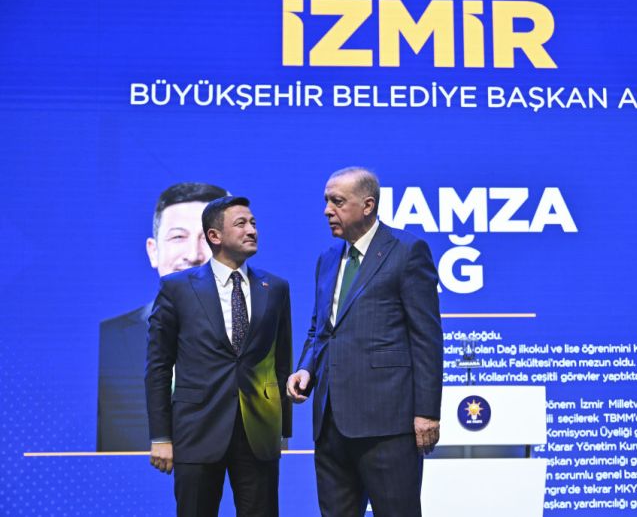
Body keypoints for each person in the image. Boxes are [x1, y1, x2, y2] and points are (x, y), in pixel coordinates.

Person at [286, 167, 443, 517]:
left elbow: (426, 336)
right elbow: (321, 329)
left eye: (337, 201)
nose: (327, 210)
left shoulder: (407, 251)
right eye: (326, 201)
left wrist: (427, 412)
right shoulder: (327, 260)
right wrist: (305, 369)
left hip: (388, 424)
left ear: (368, 205)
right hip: (330, 423)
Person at [146, 196, 292, 516]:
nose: (252, 230)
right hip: (197, 430)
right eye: (241, 224)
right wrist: (160, 436)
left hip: (259, 434)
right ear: (215, 236)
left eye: (253, 223)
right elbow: (158, 367)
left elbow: (281, 363)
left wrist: (283, 431)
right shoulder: (177, 288)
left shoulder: (275, 287)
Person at [98, 182, 228, 451]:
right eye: (178, 237)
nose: (193, 255)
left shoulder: (259, 329)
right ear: (153, 251)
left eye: (209, 237)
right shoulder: (109, 338)